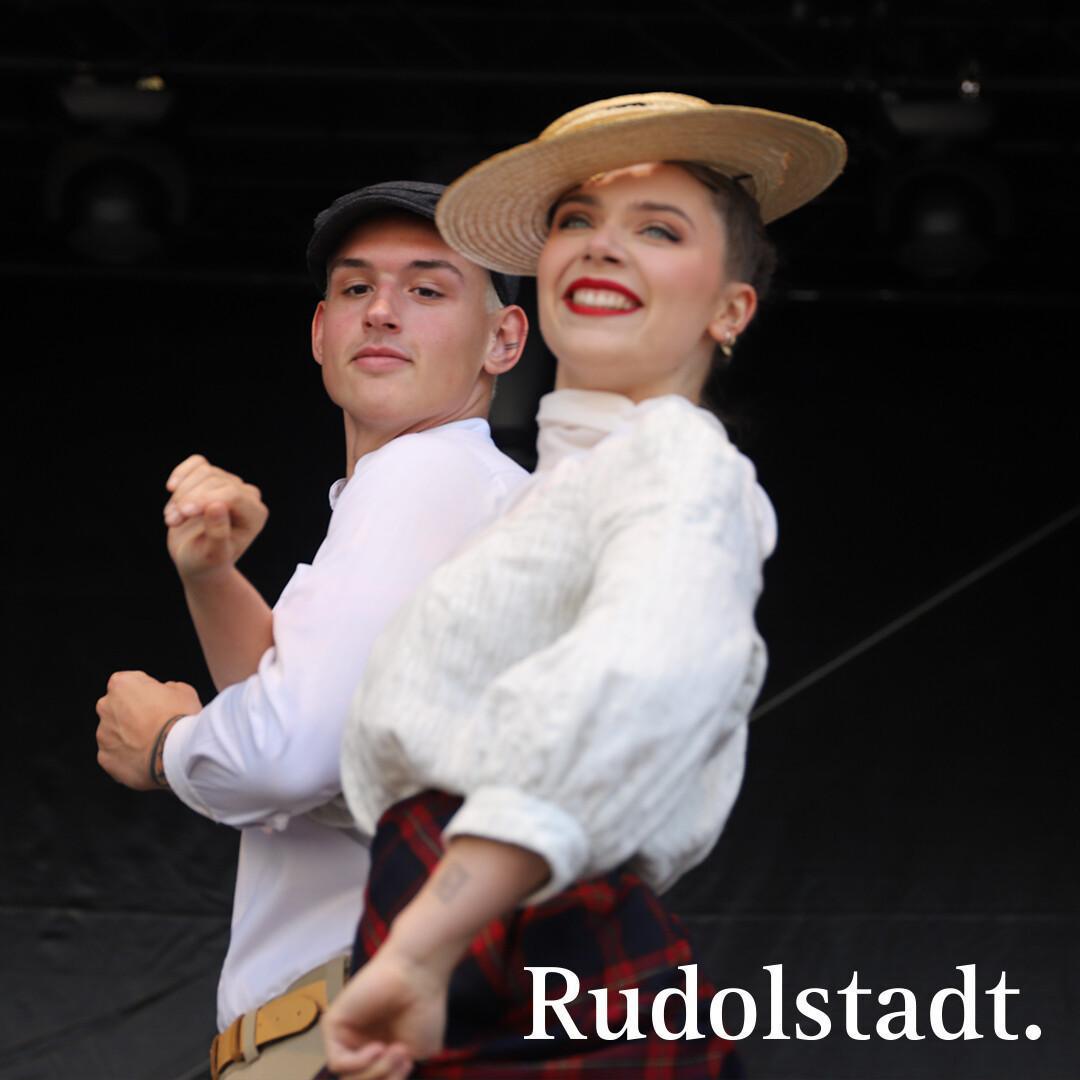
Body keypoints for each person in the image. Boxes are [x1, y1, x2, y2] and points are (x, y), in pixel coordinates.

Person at [316, 94, 846, 1080]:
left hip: (524, 936)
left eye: (658, 228)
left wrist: (428, 940)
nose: (603, 248)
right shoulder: (554, 497)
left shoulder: (679, 463)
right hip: (476, 927)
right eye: (575, 221)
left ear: (731, 308)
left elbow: (629, 682)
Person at [93, 180, 530, 1080]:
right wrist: (213, 577)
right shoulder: (471, 495)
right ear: (320, 331)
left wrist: (166, 745)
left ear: (504, 339)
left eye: (428, 289)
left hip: (346, 1028)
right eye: (356, 287)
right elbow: (324, 733)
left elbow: (290, 758)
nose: (382, 311)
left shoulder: (420, 478)